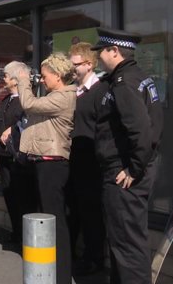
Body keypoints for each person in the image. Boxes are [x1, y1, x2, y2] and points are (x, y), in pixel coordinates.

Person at [91, 28, 163, 284]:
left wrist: (133, 169)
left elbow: (141, 130)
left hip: (123, 174)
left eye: (102, 51)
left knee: (127, 245)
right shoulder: (137, 77)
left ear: (115, 51)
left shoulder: (125, 83)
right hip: (131, 169)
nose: (98, 56)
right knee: (125, 240)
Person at [13, 53, 77, 284]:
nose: (42, 80)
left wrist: (23, 80)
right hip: (42, 162)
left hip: (53, 165)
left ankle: (61, 276)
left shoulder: (64, 97)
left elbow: (29, 103)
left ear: (58, 76)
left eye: (45, 75)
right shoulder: (56, 95)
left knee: (55, 221)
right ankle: (47, 270)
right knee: (45, 219)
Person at [67, 42, 106, 275]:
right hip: (73, 161)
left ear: (89, 65)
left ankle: (95, 260)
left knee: (91, 214)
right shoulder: (74, 91)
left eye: (76, 65)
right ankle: (74, 254)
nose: (72, 69)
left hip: (92, 162)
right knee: (74, 210)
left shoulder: (99, 91)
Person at [0, 61, 33, 244]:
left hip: (19, 158)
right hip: (4, 156)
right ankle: (17, 232)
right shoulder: (6, 100)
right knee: (9, 195)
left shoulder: (26, 102)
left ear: (16, 80)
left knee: (23, 197)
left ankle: (26, 236)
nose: (4, 79)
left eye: (6, 76)